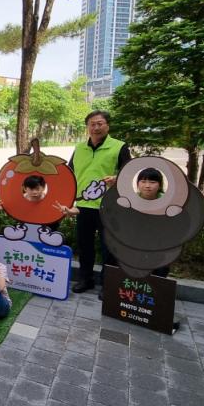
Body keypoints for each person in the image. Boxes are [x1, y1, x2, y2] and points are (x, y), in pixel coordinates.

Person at [67, 110, 131, 294]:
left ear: (107, 126)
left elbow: (129, 173)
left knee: (108, 248)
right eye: (92, 124)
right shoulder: (79, 148)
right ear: (88, 127)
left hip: (109, 207)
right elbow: (69, 174)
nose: (96, 127)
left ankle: (107, 284)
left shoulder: (119, 147)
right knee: (84, 246)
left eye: (100, 123)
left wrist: (117, 178)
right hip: (83, 206)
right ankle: (85, 279)